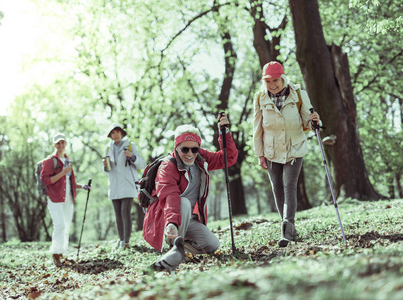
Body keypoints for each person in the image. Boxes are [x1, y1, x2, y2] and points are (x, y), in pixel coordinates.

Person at [143, 115, 238, 272]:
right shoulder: (167, 167)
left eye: (194, 149)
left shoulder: (200, 158)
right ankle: (173, 246)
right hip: (166, 220)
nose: (189, 154)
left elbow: (229, 158)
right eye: (184, 149)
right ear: (176, 147)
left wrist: (225, 133)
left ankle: (181, 245)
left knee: (213, 245)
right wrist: (172, 223)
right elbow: (170, 197)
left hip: (188, 219)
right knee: (184, 203)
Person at [253, 61, 321, 247]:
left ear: (282, 78)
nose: (272, 84)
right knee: (277, 188)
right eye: (267, 81)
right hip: (271, 150)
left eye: (275, 80)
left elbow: (308, 120)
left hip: (294, 148)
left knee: (289, 187)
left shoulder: (298, 93)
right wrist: (260, 154)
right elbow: (257, 129)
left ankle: (287, 230)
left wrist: (315, 121)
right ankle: (289, 227)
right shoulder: (260, 97)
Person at [41, 133, 90, 267]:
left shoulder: (68, 160)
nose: (60, 145)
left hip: (68, 197)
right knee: (59, 225)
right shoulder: (50, 161)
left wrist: (82, 186)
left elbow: (69, 182)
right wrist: (62, 172)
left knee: (66, 226)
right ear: (54, 145)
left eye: (62, 143)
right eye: (58, 143)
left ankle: (61, 251)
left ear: (66, 144)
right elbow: (45, 180)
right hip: (55, 198)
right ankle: (55, 254)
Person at [103, 123, 145, 249]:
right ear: (110, 135)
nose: (115, 135)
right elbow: (107, 169)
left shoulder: (130, 146)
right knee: (117, 213)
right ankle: (121, 240)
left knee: (125, 212)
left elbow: (141, 163)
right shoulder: (108, 148)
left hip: (127, 184)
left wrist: (131, 156)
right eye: (113, 133)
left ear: (121, 133)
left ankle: (126, 241)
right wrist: (105, 166)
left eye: (117, 132)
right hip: (114, 185)